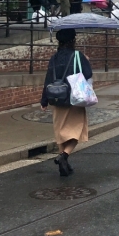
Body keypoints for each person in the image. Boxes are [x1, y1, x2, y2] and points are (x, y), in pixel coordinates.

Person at [40, 28, 93, 176]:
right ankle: (64, 156)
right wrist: (86, 61)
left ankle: (64, 164)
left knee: (61, 133)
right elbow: (88, 74)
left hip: (57, 97)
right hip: (74, 98)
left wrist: (44, 100)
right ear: (73, 40)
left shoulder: (54, 58)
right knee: (76, 131)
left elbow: (48, 79)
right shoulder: (78, 55)